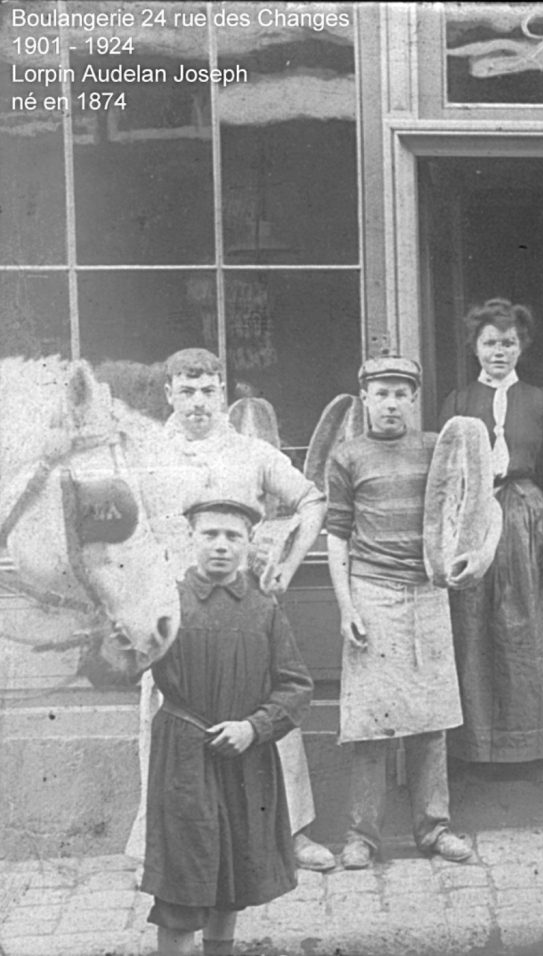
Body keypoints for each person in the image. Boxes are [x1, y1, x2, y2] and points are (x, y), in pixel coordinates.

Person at [128, 348, 334, 873]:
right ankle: (155, 844)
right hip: (171, 604)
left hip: (243, 603)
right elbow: (125, 528)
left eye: (209, 390)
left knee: (264, 703)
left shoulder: (251, 452)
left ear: (223, 392)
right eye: (187, 391)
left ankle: (293, 833)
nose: (198, 402)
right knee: (165, 717)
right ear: (169, 393)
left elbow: (313, 501)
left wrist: (286, 565)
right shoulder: (144, 452)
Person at [141, 496, 312, 956]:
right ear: (190, 539)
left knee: (231, 870)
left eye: (232, 536)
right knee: (181, 879)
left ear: (249, 542)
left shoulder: (264, 610)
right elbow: (119, 661)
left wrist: (254, 728)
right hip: (183, 756)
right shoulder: (165, 601)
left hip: (243, 757)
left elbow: (296, 686)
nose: (221, 545)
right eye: (209, 534)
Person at [325, 353, 476, 868]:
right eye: (381, 393)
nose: (391, 403)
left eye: (400, 394)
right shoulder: (347, 456)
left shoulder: (437, 448)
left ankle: (434, 830)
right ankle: (361, 837)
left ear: (413, 399)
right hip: (372, 592)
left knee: (430, 723)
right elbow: (338, 537)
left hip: (428, 593)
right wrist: (346, 606)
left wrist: (462, 560)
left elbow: (468, 507)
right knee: (371, 724)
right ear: (365, 398)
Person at [440, 299, 543, 780]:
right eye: (489, 342)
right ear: (474, 348)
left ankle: (533, 752)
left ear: (521, 347)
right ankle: (477, 754)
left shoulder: (540, 401)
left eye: (508, 342)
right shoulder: (458, 402)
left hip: (527, 521)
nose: (498, 351)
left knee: (527, 633)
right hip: (474, 522)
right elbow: (445, 477)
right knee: (475, 630)